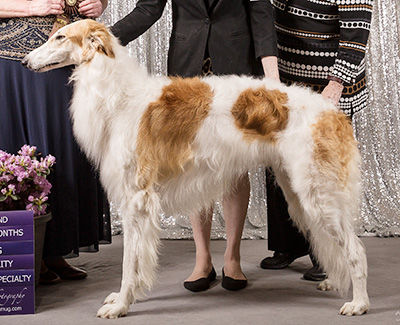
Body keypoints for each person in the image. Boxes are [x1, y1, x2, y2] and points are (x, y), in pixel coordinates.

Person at [110, 0, 280, 291]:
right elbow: (148, 9)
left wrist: (272, 78)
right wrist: (103, 38)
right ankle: (202, 259)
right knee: (192, 165)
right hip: (186, 66)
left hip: (236, 65)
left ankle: (233, 258)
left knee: (235, 167)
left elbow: (261, 12)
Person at [260, 0, 373, 281]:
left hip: (328, 87)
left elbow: (355, 38)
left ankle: (327, 255)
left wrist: (335, 87)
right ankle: (289, 245)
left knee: (322, 178)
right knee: (280, 169)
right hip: (286, 83)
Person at [0, 0, 111, 285]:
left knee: (62, 151)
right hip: (14, 62)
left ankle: (54, 252)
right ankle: (28, 257)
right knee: (26, 152)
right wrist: (29, 7)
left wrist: (99, 4)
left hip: (67, 58)